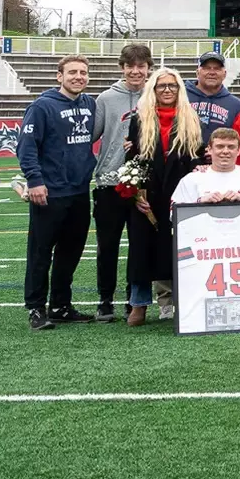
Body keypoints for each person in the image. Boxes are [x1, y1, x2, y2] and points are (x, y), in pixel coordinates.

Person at [15, 56, 99, 330]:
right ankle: (36, 308)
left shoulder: (89, 103)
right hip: (49, 192)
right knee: (40, 253)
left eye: (83, 73)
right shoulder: (42, 106)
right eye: (73, 72)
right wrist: (35, 180)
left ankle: (60, 306)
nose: (79, 77)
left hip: (78, 191)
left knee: (70, 252)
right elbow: (26, 146)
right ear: (59, 76)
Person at [123, 67, 208, 322]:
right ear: (153, 90)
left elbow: (196, 157)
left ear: (180, 90)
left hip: (179, 195)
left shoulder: (191, 119)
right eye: (162, 86)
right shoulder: (140, 119)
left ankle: (178, 303)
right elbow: (132, 160)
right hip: (147, 197)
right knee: (140, 249)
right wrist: (137, 194)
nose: (167, 90)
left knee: (178, 249)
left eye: (173, 86)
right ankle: (139, 303)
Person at [88, 43, 150, 323]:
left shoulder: (154, 95)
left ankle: (133, 298)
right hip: (109, 182)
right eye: (130, 66)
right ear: (122, 68)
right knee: (108, 244)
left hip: (144, 184)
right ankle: (104, 299)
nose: (135, 71)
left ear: (148, 68)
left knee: (139, 245)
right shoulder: (105, 98)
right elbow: (92, 136)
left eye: (141, 66)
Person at [170, 128, 240, 206]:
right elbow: (175, 213)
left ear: (238, 150)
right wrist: (201, 202)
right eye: (220, 146)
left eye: (231, 147)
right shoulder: (191, 180)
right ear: (209, 150)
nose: (225, 151)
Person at [186, 49, 240, 135]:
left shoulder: (237, 106)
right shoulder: (181, 96)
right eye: (207, 68)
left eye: (217, 69)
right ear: (197, 72)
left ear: (224, 74)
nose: (212, 72)